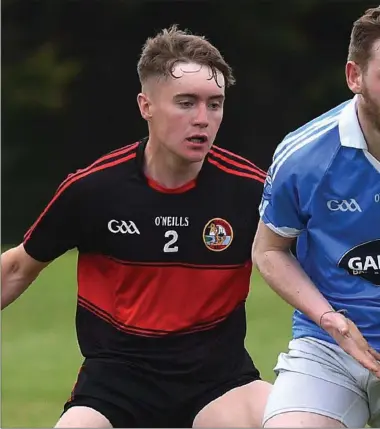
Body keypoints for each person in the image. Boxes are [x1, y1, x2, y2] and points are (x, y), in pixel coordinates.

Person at [1, 25, 271, 428]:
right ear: (146, 105)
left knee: (291, 419)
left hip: (219, 382)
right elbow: (18, 268)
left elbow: (314, 268)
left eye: (215, 104)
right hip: (115, 385)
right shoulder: (93, 189)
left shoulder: (253, 191)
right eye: (186, 103)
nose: (203, 119)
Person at [252, 6, 380, 429]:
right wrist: (329, 319)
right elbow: (270, 250)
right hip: (330, 349)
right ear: (354, 76)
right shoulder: (304, 155)